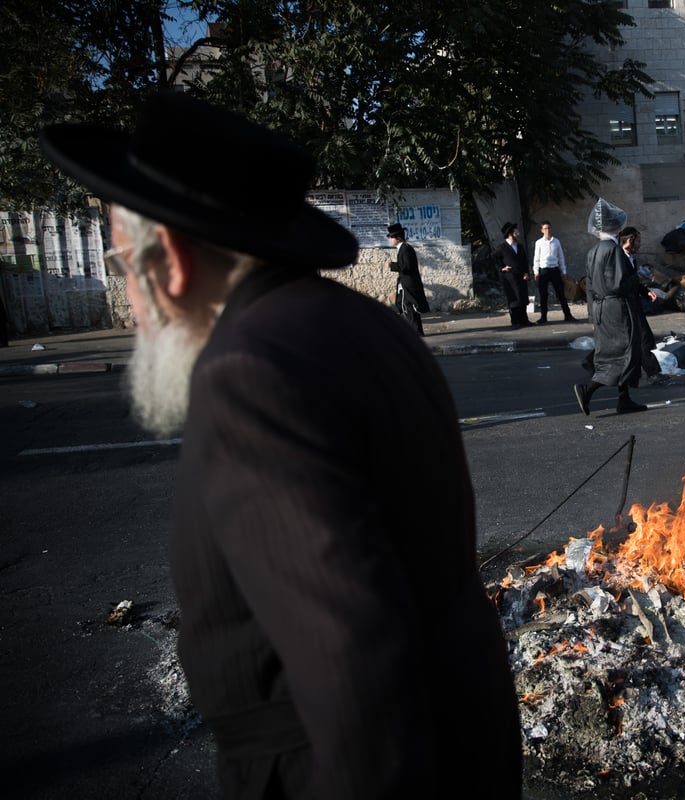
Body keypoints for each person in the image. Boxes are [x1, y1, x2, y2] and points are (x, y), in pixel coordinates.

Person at [38, 93, 522, 799]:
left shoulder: (248, 371)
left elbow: (351, 662)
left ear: (168, 258)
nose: (133, 300)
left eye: (121, 266)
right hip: (464, 738)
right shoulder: (368, 325)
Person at [573, 199, 648, 416]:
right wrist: (638, 278)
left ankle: (624, 399)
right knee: (625, 351)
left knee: (614, 351)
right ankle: (588, 389)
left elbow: (588, 287)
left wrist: (591, 316)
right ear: (614, 227)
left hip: (600, 309)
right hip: (617, 308)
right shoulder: (613, 250)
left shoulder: (593, 251)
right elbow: (619, 284)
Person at [619, 226, 664, 381]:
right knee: (641, 338)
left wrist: (646, 291)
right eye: (638, 241)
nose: (640, 244)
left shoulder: (632, 258)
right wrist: (637, 277)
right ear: (630, 240)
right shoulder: (619, 258)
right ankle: (652, 373)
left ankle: (651, 372)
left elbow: (635, 283)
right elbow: (621, 284)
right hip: (624, 305)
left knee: (641, 338)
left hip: (634, 303)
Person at [386, 222, 430, 335]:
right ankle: (415, 331)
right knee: (404, 306)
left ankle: (416, 332)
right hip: (404, 283)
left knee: (409, 307)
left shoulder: (406, 249)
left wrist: (392, 265)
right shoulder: (402, 249)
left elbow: (407, 267)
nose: (390, 240)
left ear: (398, 238)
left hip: (409, 284)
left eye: (392, 237)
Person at [532, 220, 576, 324]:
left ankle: (567, 315)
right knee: (543, 295)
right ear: (542, 230)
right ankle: (543, 317)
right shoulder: (539, 243)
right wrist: (536, 271)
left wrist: (563, 271)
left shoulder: (556, 241)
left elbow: (561, 257)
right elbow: (536, 258)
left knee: (561, 293)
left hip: (555, 270)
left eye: (549, 228)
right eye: (545, 228)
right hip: (544, 271)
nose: (547, 230)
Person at [496, 221, 533, 327]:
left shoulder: (519, 246)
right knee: (514, 300)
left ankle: (524, 320)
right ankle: (515, 321)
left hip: (521, 276)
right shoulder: (502, 247)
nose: (518, 234)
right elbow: (494, 259)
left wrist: (526, 272)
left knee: (523, 298)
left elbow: (525, 260)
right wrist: (502, 268)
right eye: (516, 233)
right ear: (510, 234)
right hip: (510, 278)